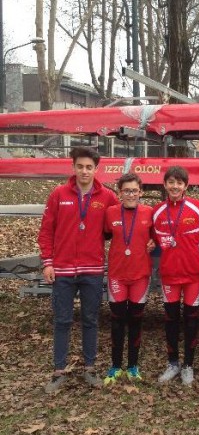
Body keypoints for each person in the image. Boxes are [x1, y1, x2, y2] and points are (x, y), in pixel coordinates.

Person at [39, 147, 118, 393]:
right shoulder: (58, 194)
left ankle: (90, 368)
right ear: (73, 167)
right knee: (62, 321)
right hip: (62, 269)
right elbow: (46, 230)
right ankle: (58, 371)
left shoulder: (107, 197)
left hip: (92, 269)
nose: (85, 171)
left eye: (89, 167)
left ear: (96, 169)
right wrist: (47, 262)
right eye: (80, 166)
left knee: (90, 320)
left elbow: (120, 222)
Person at [153, 166, 199, 386]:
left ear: (186, 185)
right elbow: (150, 239)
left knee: (192, 320)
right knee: (171, 320)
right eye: (171, 182)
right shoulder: (156, 211)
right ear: (165, 184)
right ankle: (173, 363)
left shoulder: (197, 208)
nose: (175, 186)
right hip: (169, 276)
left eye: (179, 183)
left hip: (193, 274)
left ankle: (188, 366)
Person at [103, 173, 153, 385]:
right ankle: (115, 366)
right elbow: (105, 235)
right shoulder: (110, 212)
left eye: (134, 190)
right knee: (116, 322)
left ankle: (133, 365)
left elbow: (158, 236)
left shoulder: (149, 212)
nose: (131, 194)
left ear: (141, 192)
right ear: (119, 193)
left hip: (140, 275)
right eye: (126, 191)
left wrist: (153, 243)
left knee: (135, 321)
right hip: (117, 275)